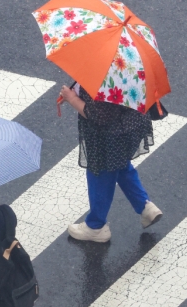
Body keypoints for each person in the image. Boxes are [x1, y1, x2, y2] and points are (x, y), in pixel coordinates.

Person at [58, 83, 162, 242]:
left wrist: (72, 98)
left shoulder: (105, 80)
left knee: (99, 173)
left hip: (110, 135)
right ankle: (145, 206)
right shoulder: (125, 70)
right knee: (120, 165)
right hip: (131, 125)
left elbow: (98, 115)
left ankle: (95, 226)